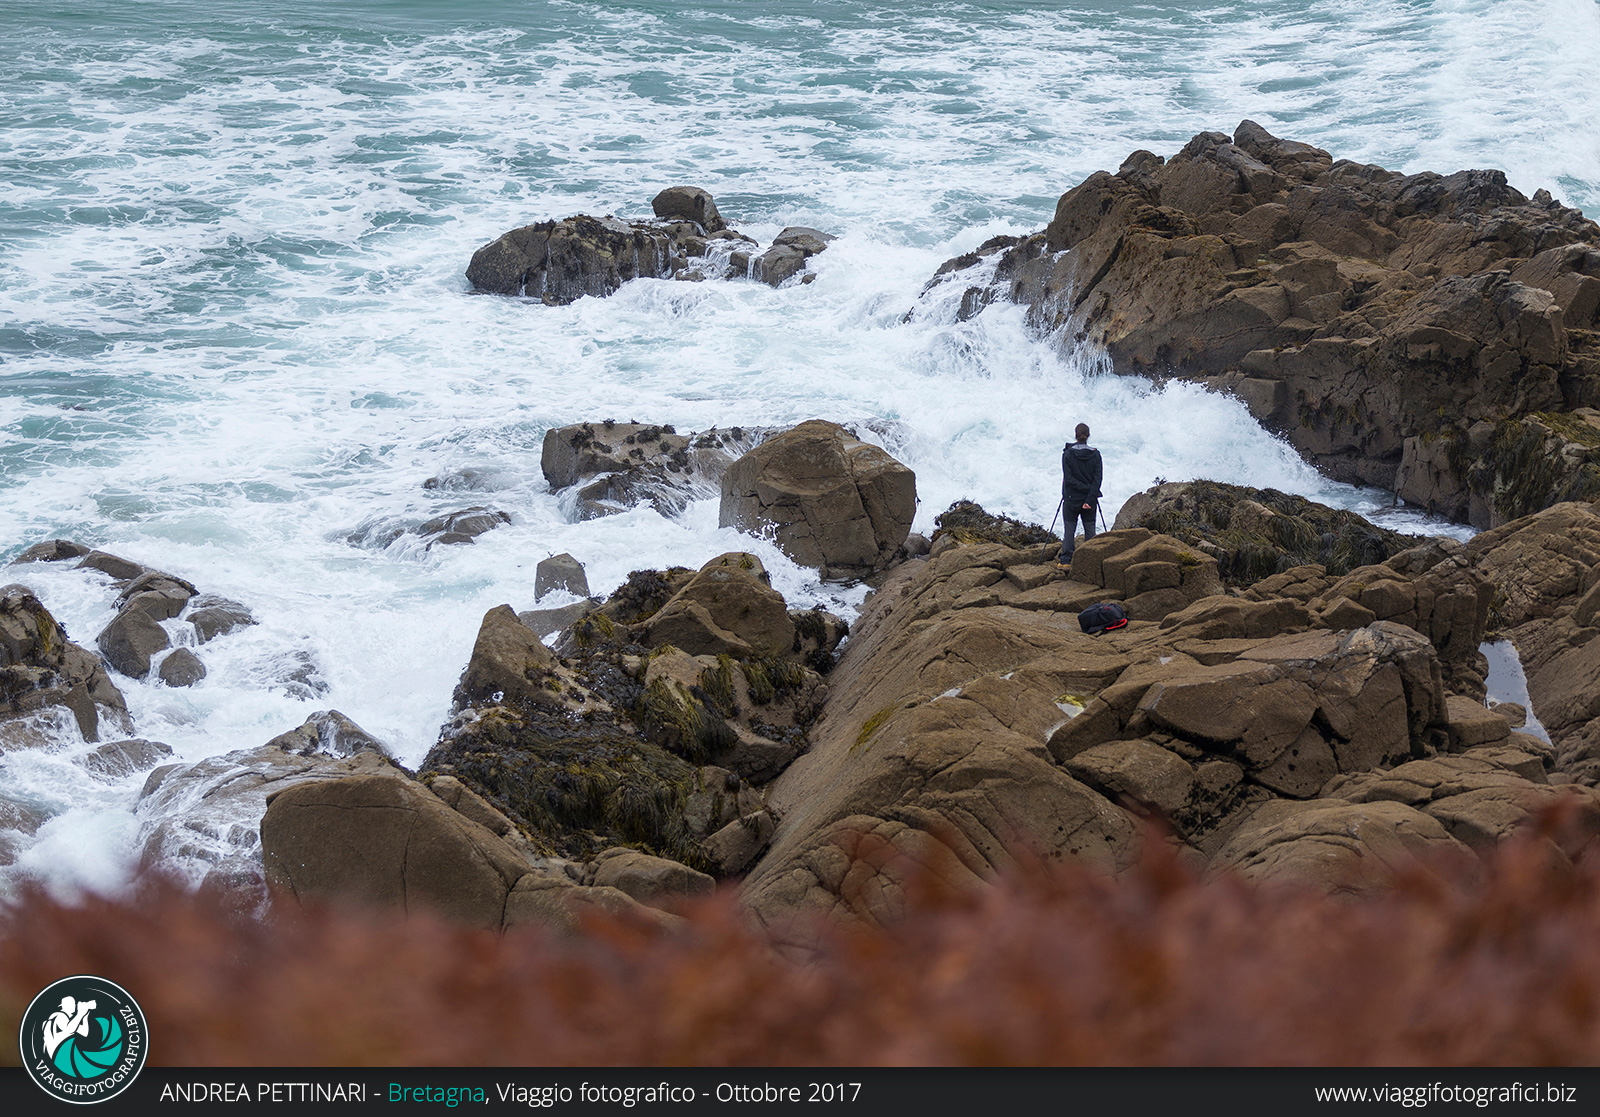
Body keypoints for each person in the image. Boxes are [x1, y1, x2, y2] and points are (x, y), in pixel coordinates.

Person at [1057, 422, 1102, 569]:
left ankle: (1066, 561)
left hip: (1071, 499)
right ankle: (1090, 561)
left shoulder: (1068, 454)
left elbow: (1068, 479)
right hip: (1090, 500)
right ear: (1088, 436)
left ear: (1075, 436)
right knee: (1090, 530)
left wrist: (1083, 490)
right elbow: (1098, 480)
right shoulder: (1095, 455)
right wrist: (1089, 497)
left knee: (1069, 530)